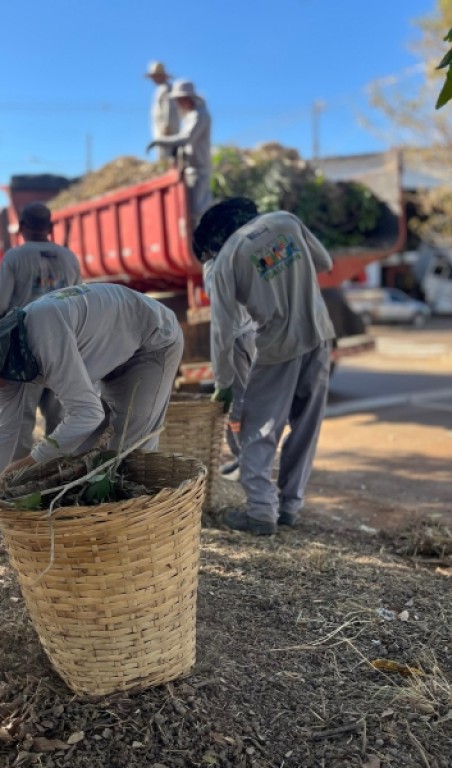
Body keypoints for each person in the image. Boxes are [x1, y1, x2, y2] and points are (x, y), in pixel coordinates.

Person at [0, 283, 184, 490]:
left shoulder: (43, 332)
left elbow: (87, 414)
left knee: (128, 454)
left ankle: (142, 526)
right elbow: (4, 432)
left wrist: (31, 461)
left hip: (153, 338)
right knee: (82, 460)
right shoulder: (6, 364)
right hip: (116, 348)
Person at [194, 198, 335, 536]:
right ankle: (289, 507)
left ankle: (260, 512)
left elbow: (222, 330)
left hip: (278, 345)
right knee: (306, 426)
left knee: (258, 429)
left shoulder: (227, 259)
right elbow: (324, 263)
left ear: (214, 238)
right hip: (319, 334)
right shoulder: (285, 220)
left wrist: (223, 382)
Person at [0, 202, 83, 465]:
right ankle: (56, 475)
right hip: (64, 346)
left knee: (18, 421)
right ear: (50, 227)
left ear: (22, 227)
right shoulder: (69, 258)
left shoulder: (15, 258)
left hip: (24, 349)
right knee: (60, 419)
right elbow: (80, 301)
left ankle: (14, 479)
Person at [202, 258, 257, 479]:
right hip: (247, 332)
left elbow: (221, 328)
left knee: (235, 403)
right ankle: (244, 458)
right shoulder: (238, 257)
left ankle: (247, 461)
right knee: (241, 399)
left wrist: (221, 382)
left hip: (235, 337)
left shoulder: (216, 267)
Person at [146, 79, 212, 220]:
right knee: (190, 212)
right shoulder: (190, 117)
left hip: (198, 170)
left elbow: (185, 139)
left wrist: (159, 141)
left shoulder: (200, 116)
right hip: (191, 169)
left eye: (180, 100)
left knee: (198, 212)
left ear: (188, 98)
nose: (178, 104)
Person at [144, 60, 179, 162]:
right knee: (163, 155)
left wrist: (166, 126)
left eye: (156, 76)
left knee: (166, 157)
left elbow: (168, 109)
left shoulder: (166, 89)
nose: (154, 79)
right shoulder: (161, 89)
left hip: (166, 131)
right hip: (162, 131)